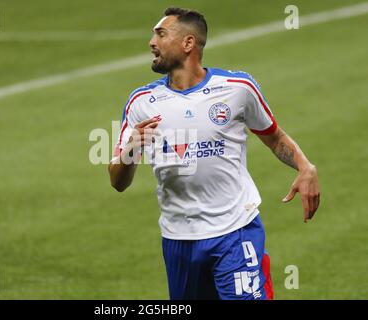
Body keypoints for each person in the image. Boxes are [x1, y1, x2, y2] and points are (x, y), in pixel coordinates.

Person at [108, 7, 320, 300]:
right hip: (178, 239)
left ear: (188, 43)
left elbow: (274, 137)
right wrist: (131, 150)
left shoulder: (237, 89)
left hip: (235, 232)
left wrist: (305, 166)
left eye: (160, 34)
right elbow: (118, 181)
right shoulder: (141, 102)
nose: (151, 42)